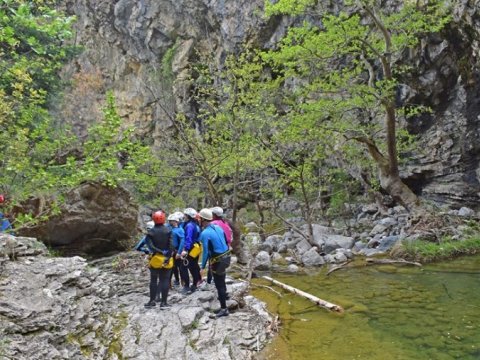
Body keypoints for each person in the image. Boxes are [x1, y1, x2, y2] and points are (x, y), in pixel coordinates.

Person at [198, 208, 231, 318]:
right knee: (222, 280)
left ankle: (223, 308)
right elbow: (226, 241)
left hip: (218, 260)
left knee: (219, 285)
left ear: (203, 219)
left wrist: (202, 266)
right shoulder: (218, 227)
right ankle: (225, 296)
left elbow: (206, 252)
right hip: (227, 257)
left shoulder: (205, 233)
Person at [144, 211, 173, 309]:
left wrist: (159, 251)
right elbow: (171, 246)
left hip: (155, 258)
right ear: (164, 219)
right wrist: (167, 256)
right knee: (164, 279)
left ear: (153, 219)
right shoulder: (168, 231)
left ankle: (152, 301)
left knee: (153, 280)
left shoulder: (150, 233)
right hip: (166, 258)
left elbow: (151, 247)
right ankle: (164, 303)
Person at [180, 208, 201, 294]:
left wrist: (185, 249)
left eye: (185, 215)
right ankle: (195, 284)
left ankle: (187, 286)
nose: (184, 216)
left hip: (190, 248)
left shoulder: (189, 226)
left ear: (188, 216)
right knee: (194, 267)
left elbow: (188, 238)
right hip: (196, 248)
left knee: (183, 267)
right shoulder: (196, 225)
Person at [168, 213, 185, 287]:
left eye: (171, 221)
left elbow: (182, 242)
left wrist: (179, 252)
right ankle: (174, 282)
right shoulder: (170, 228)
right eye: (169, 221)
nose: (169, 222)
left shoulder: (180, 230)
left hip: (177, 251)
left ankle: (183, 283)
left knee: (180, 268)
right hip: (171, 251)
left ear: (175, 221)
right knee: (172, 267)